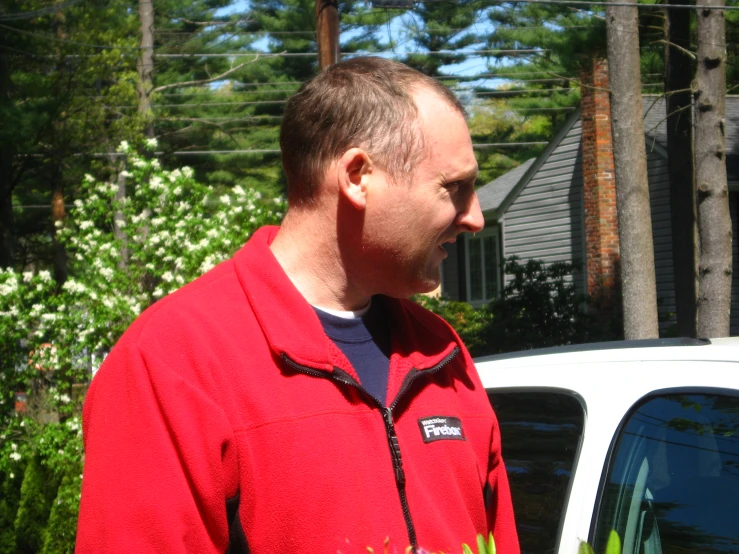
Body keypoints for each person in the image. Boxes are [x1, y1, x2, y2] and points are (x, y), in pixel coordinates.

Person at [75, 56, 520, 554]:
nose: (475, 217)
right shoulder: (172, 361)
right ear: (357, 176)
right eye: (454, 188)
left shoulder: (442, 354)